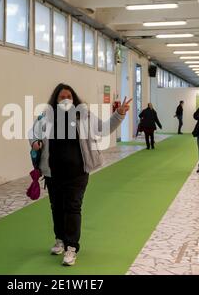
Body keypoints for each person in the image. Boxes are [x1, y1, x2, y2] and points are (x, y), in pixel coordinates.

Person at [29, 83, 131, 266]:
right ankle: (60, 239)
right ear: (56, 99)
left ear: (74, 99)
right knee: (56, 207)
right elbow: (33, 132)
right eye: (62, 97)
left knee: (73, 208)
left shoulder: (85, 116)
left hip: (78, 173)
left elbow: (104, 128)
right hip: (53, 174)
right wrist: (35, 141)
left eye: (69, 96)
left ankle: (71, 247)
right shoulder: (47, 117)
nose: (66, 99)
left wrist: (120, 114)